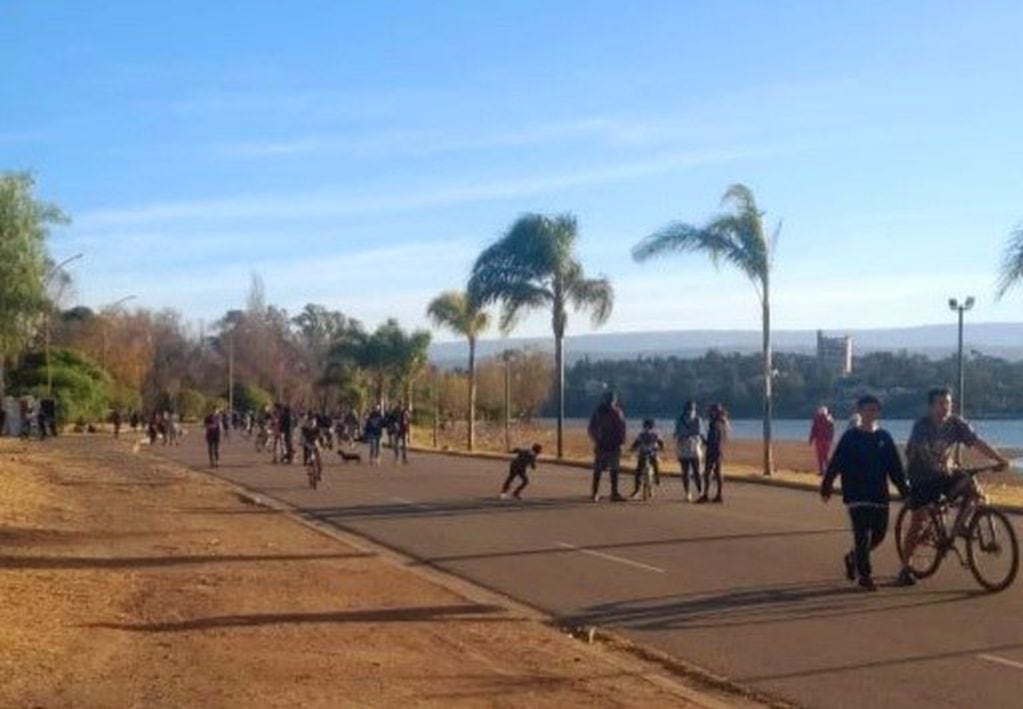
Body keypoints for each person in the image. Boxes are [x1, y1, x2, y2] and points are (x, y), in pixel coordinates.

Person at [897, 387, 1009, 586]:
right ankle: (905, 567)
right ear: (931, 407)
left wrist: (999, 459)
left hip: (946, 472)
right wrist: (939, 466)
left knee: (972, 488)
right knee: (918, 521)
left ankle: (962, 525)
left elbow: (977, 442)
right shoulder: (921, 425)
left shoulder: (956, 423)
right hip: (921, 476)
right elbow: (921, 451)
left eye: (948, 403)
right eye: (940, 403)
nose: (945, 407)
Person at [821, 396, 909, 591]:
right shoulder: (850, 437)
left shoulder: (884, 438)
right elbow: (836, 462)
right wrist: (827, 484)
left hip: (879, 494)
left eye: (875, 410)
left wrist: (904, 490)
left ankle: (853, 557)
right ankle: (865, 575)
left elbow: (895, 467)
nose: (871, 413)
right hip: (856, 494)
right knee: (862, 536)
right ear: (859, 411)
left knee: (878, 535)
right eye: (867, 409)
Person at [587, 391, 627, 502]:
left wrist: (622, 442)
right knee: (603, 469)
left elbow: (621, 429)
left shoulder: (612, 412)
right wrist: (596, 439)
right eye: (612, 399)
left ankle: (607, 493)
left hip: (609, 444)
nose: (613, 401)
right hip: (606, 444)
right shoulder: (604, 412)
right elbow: (592, 428)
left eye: (613, 399)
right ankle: (600, 493)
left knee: (608, 469)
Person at [698, 404, 728, 504]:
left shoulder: (715, 424)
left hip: (713, 450)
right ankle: (719, 495)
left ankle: (706, 495)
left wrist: (704, 441)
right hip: (720, 450)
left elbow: (713, 439)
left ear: (715, 412)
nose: (710, 413)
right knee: (718, 472)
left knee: (708, 473)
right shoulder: (724, 423)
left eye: (711, 411)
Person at [674, 400, 703, 502]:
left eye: (693, 408)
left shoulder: (698, 419)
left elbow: (698, 432)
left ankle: (700, 492)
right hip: (683, 449)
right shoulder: (680, 420)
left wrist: (684, 435)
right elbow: (677, 432)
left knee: (697, 472)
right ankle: (688, 493)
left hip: (694, 448)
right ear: (686, 409)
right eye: (690, 408)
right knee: (685, 473)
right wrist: (685, 435)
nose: (691, 410)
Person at [629, 418, 664, 499]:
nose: (647, 428)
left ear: (652, 427)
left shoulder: (655, 435)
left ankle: (657, 478)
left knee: (655, 465)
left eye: (649, 427)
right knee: (638, 471)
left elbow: (661, 442)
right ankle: (637, 490)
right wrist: (632, 448)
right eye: (645, 427)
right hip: (643, 454)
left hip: (652, 453)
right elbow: (636, 443)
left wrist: (661, 448)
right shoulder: (641, 435)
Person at [809, 406, 835, 476]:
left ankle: (823, 471)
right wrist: (831, 439)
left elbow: (813, 430)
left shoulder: (817, 418)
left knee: (821, 456)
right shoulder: (829, 418)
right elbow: (832, 431)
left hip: (820, 440)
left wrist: (811, 439)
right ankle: (827, 471)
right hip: (825, 440)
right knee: (825, 456)